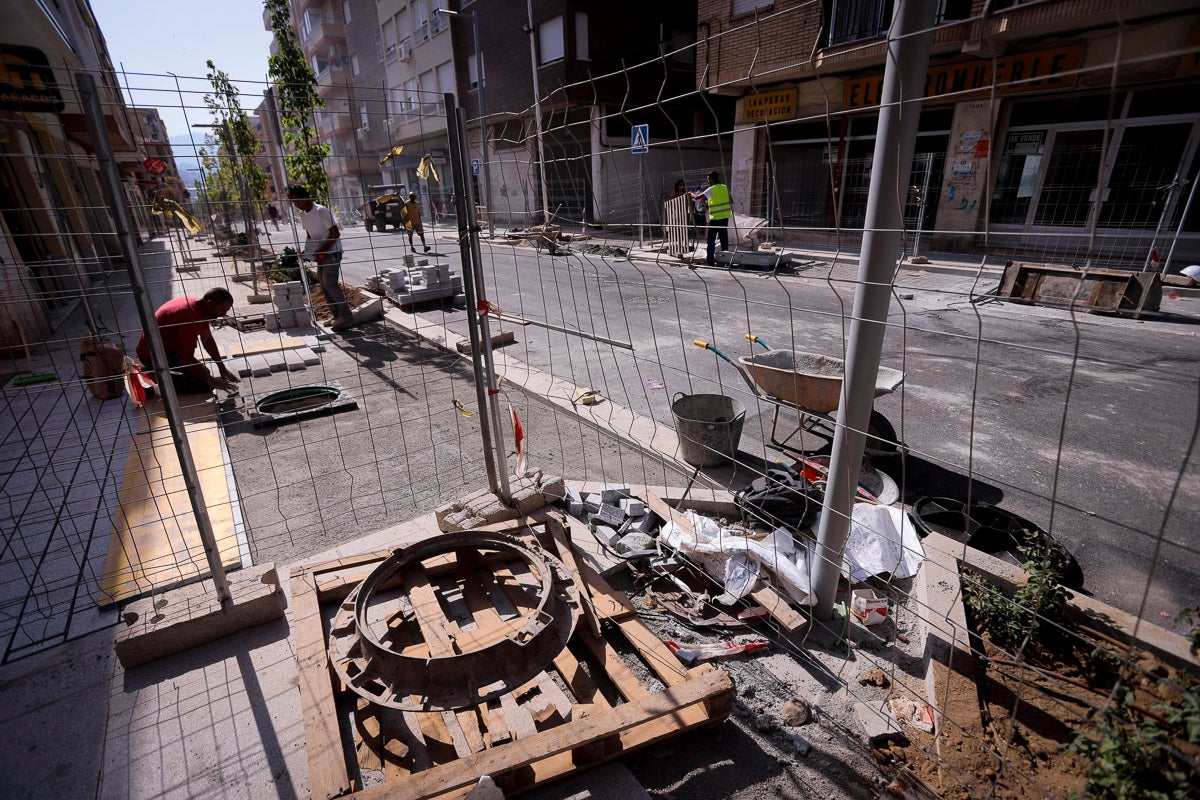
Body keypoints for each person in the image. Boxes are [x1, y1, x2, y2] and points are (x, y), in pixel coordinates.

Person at [136, 287, 240, 394]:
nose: (223, 314)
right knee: (204, 386)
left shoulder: (200, 308)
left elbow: (208, 340)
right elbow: (186, 359)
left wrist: (222, 367)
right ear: (209, 304)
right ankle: (150, 377)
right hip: (151, 356)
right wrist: (215, 383)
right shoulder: (189, 317)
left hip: (168, 351)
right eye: (222, 310)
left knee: (204, 373)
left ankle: (163, 375)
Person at [287, 185, 352, 331]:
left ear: (305, 196)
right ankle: (336, 316)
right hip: (321, 254)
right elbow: (310, 235)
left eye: (296, 200)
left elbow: (335, 233)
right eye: (293, 202)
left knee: (330, 283)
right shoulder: (304, 215)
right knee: (323, 284)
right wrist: (308, 252)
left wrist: (323, 250)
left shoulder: (321, 211)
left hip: (333, 252)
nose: (295, 205)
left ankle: (345, 315)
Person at [692, 171, 733, 267]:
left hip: (715, 219)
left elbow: (697, 197)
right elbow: (731, 201)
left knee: (711, 241)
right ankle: (724, 261)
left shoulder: (711, 189)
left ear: (711, 179)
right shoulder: (725, 188)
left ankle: (710, 262)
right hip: (724, 218)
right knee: (724, 241)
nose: (708, 181)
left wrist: (691, 194)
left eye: (708, 179)